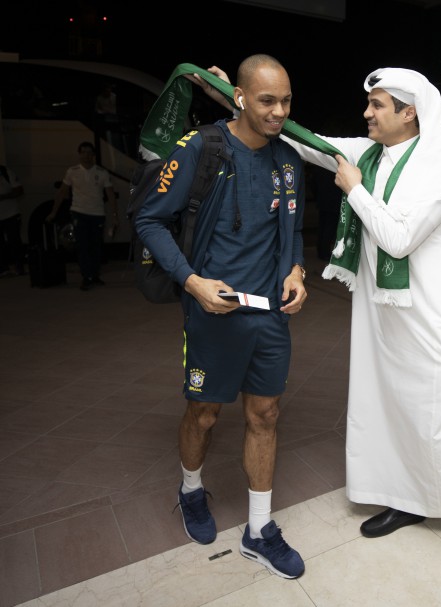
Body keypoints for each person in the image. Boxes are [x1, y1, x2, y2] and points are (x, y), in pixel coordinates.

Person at [196, 65, 441, 564]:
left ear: (409, 113)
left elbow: (398, 239)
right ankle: (409, 499)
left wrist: (354, 189)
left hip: (432, 321)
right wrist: (229, 98)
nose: (366, 113)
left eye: (377, 105)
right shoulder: (367, 153)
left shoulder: (438, 167)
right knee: (395, 411)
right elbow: (302, 139)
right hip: (386, 319)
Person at [134, 54, 307, 580]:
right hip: (213, 312)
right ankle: (191, 490)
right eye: (267, 100)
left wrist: (296, 270)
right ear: (240, 98)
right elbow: (149, 219)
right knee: (204, 414)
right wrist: (193, 283)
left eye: (286, 101)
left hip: (270, 316)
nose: (279, 112)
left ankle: (259, 530)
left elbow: (293, 228)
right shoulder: (201, 148)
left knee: (265, 416)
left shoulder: (289, 160)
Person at [47, 141, 118, 291]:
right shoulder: (72, 171)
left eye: (89, 153)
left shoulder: (102, 172)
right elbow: (62, 192)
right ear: (79, 154)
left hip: (97, 213)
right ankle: (87, 276)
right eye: (83, 152)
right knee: (83, 246)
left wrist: (114, 215)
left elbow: (110, 195)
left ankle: (95, 274)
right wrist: (53, 212)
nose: (86, 155)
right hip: (79, 212)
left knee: (96, 246)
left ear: (93, 155)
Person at [0, 164, 26, 277]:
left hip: (11, 214)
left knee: (14, 241)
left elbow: (19, 190)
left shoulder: (5, 172)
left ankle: (19, 267)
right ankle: (3, 269)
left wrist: (3, 197)